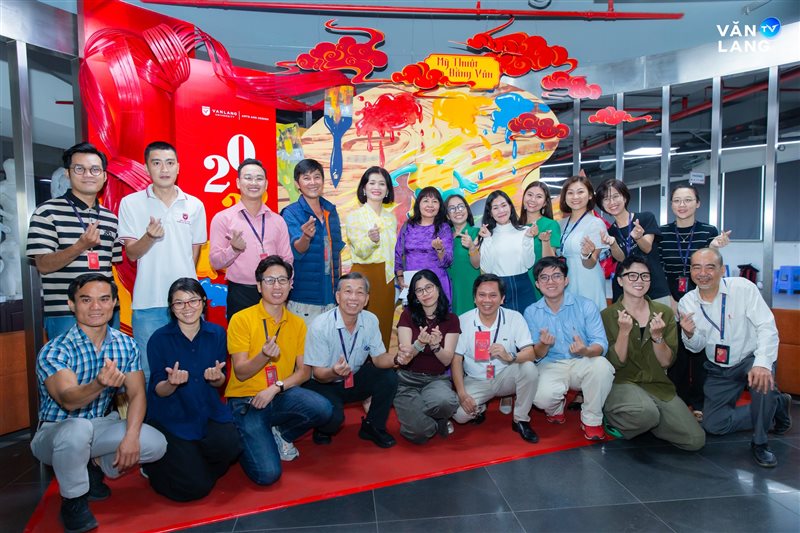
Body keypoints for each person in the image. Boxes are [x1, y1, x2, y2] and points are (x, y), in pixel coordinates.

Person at [30, 274, 166, 533]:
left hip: (100, 426)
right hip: (56, 431)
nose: (96, 307)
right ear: (72, 304)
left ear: (114, 303)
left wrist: (131, 437)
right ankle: (74, 502)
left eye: (104, 299)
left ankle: (93, 465)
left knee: (155, 443)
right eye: (86, 300)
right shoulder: (56, 349)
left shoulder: (126, 344)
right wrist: (99, 384)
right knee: (77, 428)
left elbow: (137, 394)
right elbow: (68, 400)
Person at [678, 248, 791, 467]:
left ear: (722, 270)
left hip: (750, 358)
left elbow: (767, 327)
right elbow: (696, 347)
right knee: (714, 425)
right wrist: (689, 334)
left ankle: (760, 442)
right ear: (690, 271)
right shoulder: (687, 302)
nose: (703, 273)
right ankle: (776, 404)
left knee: (762, 380)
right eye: (696, 267)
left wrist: (762, 364)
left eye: (710, 267)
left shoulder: (743, 288)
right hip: (718, 367)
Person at [225, 256, 333, 485]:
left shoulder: (298, 323)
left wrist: (276, 387)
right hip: (247, 400)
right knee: (267, 475)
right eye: (270, 280)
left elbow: (304, 372)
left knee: (323, 408)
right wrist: (264, 355)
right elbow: (241, 372)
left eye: (282, 280)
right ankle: (247, 432)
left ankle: (281, 433)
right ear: (259, 285)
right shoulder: (241, 319)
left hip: (278, 394)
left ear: (290, 284)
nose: (277, 286)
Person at [142, 278, 242, 501]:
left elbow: (219, 382)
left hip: (207, 409)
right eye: (179, 303)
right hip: (173, 415)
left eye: (193, 301)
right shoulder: (159, 339)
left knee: (232, 446)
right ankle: (153, 467)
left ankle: (192, 462)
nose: (187, 308)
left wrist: (217, 378)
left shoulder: (217, 333)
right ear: (171, 307)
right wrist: (171, 383)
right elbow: (158, 390)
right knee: (194, 489)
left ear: (204, 302)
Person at [118, 141, 207, 383]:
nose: (164, 169)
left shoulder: (194, 205)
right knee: (150, 372)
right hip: (149, 301)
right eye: (156, 163)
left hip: (188, 303)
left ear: (178, 167)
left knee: (193, 367)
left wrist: (186, 292)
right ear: (147, 168)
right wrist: (149, 237)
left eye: (169, 163)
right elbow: (131, 254)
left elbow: (194, 253)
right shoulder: (131, 203)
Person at [601, 257, 705, 451]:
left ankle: (649, 422)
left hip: (657, 385)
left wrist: (657, 337)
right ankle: (615, 418)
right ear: (620, 280)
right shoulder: (607, 315)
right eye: (632, 275)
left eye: (645, 276)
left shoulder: (664, 312)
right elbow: (616, 363)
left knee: (695, 440)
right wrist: (624, 332)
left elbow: (666, 362)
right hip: (622, 383)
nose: (639, 280)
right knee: (645, 413)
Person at [26, 142, 122, 339]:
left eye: (95, 169)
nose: (88, 174)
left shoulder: (111, 218)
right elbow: (43, 265)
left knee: (112, 360)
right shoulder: (47, 212)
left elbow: (110, 265)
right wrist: (80, 246)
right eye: (80, 169)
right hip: (66, 312)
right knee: (67, 361)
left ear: (104, 176)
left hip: (107, 311)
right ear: (67, 173)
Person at [303, 272, 400, 448]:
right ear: (338, 296)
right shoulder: (320, 325)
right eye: (348, 291)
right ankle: (322, 428)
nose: (354, 297)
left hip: (352, 377)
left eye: (360, 292)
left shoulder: (370, 320)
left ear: (367, 298)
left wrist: (397, 357)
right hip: (324, 383)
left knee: (388, 377)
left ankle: (373, 426)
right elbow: (318, 374)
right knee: (333, 419)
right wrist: (334, 371)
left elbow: (378, 359)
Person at [659, 184, 730, 418]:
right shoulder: (662, 232)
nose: (682, 205)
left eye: (688, 200)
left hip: (701, 294)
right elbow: (659, 267)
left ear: (697, 203)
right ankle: (678, 400)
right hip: (671, 296)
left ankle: (700, 401)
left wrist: (713, 246)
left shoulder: (708, 231)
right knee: (677, 351)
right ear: (671, 204)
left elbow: (710, 266)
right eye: (677, 200)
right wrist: (670, 300)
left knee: (701, 351)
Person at [524, 256, 614, 441]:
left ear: (566, 280)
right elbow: (536, 354)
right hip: (550, 363)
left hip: (582, 361)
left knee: (602, 366)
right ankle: (555, 408)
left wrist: (585, 351)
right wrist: (543, 345)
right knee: (541, 398)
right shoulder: (531, 312)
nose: (551, 282)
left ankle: (592, 419)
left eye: (557, 276)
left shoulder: (586, 305)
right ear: (537, 284)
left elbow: (600, 344)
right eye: (544, 277)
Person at [451, 274, 540, 444]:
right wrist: (462, 394)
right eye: (482, 295)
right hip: (476, 379)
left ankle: (520, 419)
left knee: (529, 369)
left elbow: (530, 353)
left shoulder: (514, 318)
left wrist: (509, 356)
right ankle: (480, 406)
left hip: (505, 375)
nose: (487, 300)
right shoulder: (463, 321)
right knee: (459, 415)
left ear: (502, 299)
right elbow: (456, 360)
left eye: (493, 295)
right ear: (474, 298)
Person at [209, 158, 292, 320]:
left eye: (259, 178)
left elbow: (287, 260)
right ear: (238, 183)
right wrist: (233, 250)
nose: (254, 183)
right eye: (248, 178)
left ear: (266, 184)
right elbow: (215, 263)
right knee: (241, 336)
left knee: (274, 335)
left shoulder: (278, 220)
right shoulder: (223, 218)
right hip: (240, 293)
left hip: (273, 291)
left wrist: (284, 288)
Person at [394, 270, 461, 443]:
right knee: (420, 433)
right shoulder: (407, 315)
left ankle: (431, 412)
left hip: (436, 380)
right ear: (415, 296)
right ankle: (431, 419)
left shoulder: (452, 319)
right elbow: (406, 356)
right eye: (419, 290)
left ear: (438, 288)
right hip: (407, 381)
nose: (425, 293)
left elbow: (447, 360)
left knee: (447, 402)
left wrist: (436, 346)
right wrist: (419, 344)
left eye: (429, 287)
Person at [281, 159, 345, 324]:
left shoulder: (330, 210)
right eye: (306, 178)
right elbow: (297, 250)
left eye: (317, 177)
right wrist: (306, 237)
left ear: (322, 181)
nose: (313, 182)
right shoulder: (291, 213)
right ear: (297, 184)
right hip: (304, 298)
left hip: (331, 296)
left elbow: (336, 253)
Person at [344, 166, 398, 347]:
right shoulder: (354, 217)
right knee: (360, 329)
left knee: (383, 327)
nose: (377, 187)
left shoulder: (391, 218)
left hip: (387, 279)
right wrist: (371, 240)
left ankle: (380, 362)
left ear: (387, 190)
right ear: (364, 188)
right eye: (372, 183)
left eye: (382, 184)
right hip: (363, 276)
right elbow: (360, 251)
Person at [595, 179, 669, 305]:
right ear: (602, 204)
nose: (612, 202)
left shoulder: (645, 218)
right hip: (625, 289)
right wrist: (613, 244)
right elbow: (621, 258)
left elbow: (647, 248)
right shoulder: (610, 231)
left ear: (624, 197)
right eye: (606, 199)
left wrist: (639, 238)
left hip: (653, 285)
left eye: (615, 196)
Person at [477, 190, 538, 313]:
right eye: (495, 208)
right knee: (502, 324)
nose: (501, 211)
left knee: (528, 322)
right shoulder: (486, 235)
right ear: (490, 213)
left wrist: (527, 239)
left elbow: (529, 264)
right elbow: (486, 268)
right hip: (499, 290)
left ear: (510, 206)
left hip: (524, 287)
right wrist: (487, 239)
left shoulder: (525, 231)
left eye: (504, 205)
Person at [557, 175, 609, 311]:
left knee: (588, 317)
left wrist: (586, 255)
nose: (575, 197)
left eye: (580, 192)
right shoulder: (560, 224)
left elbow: (591, 263)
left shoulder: (595, 223)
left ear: (590, 195)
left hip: (588, 279)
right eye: (570, 193)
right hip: (565, 280)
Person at [395, 186, 454, 303]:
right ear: (419, 204)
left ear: (439, 206)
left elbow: (447, 262)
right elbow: (398, 255)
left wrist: (440, 250)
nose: (430, 205)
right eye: (426, 201)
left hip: (437, 283)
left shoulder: (444, 228)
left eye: (435, 201)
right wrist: (400, 278)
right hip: (412, 284)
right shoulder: (408, 226)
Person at [519, 181, 561, 302]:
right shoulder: (515, 226)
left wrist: (545, 241)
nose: (533, 199)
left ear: (545, 203)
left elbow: (550, 262)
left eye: (539, 197)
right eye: (530, 195)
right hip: (516, 283)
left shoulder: (550, 225)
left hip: (539, 284)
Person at [445, 194, 480, 316]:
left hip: (470, 289)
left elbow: (477, 265)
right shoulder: (444, 237)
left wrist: (472, 247)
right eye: (452, 208)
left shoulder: (477, 233)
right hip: (449, 290)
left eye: (461, 206)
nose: (457, 211)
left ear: (467, 209)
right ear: (447, 215)